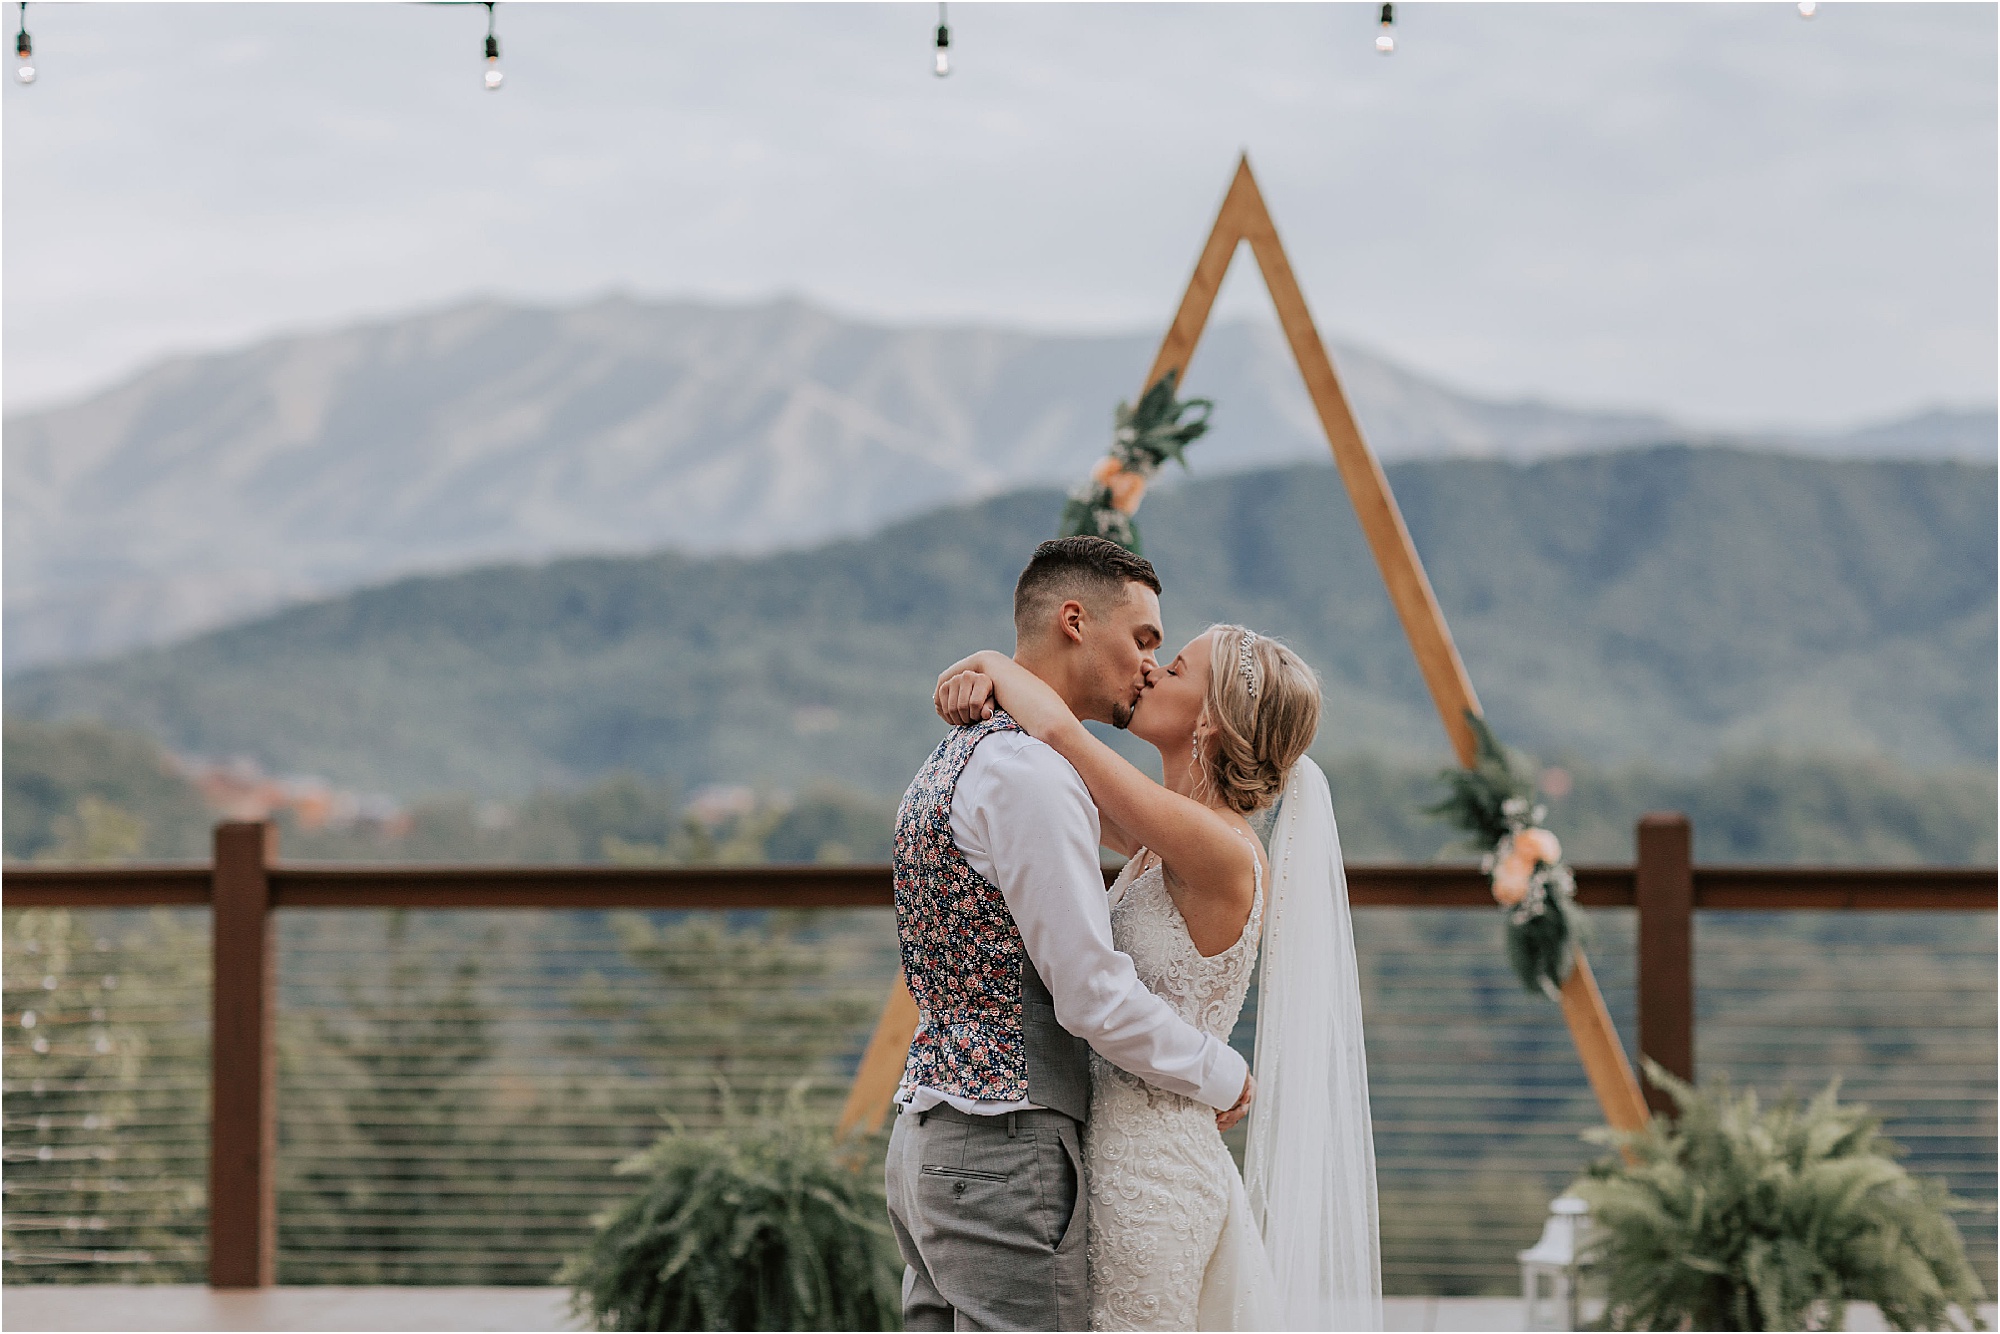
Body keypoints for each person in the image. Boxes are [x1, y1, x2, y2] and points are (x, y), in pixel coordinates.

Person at [934, 618, 1381, 1330]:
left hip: (1149, 1174)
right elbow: (1054, 776)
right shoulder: (1165, 834)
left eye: (1173, 669)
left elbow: (1062, 740)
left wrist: (989, 657)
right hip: (1110, 1150)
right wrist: (977, 684)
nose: (1147, 672)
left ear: (1209, 719)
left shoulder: (1218, 848)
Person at [883, 536, 1256, 1333]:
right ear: (1076, 622)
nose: (1150, 666)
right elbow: (1091, 995)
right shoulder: (1034, 774)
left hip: (928, 1136)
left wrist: (994, 663)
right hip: (1004, 1150)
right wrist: (1223, 1074)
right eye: (1145, 639)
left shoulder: (963, 754)